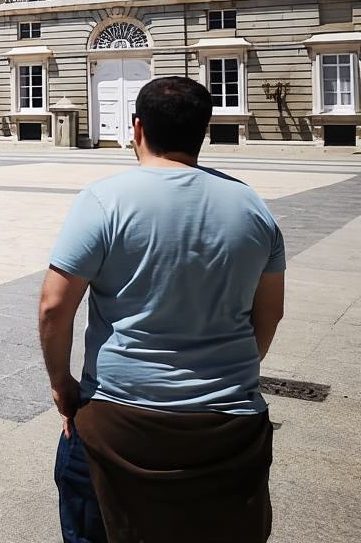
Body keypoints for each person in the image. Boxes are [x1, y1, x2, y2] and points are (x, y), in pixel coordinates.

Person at [39, 76, 285, 543]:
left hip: (117, 422)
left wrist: (60, 383)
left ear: (137, 129)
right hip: (228, 425)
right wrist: (230, 372)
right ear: (204, 131)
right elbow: (270, 314)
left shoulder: (102, 200)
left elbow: (54, 306)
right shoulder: (253, 206)